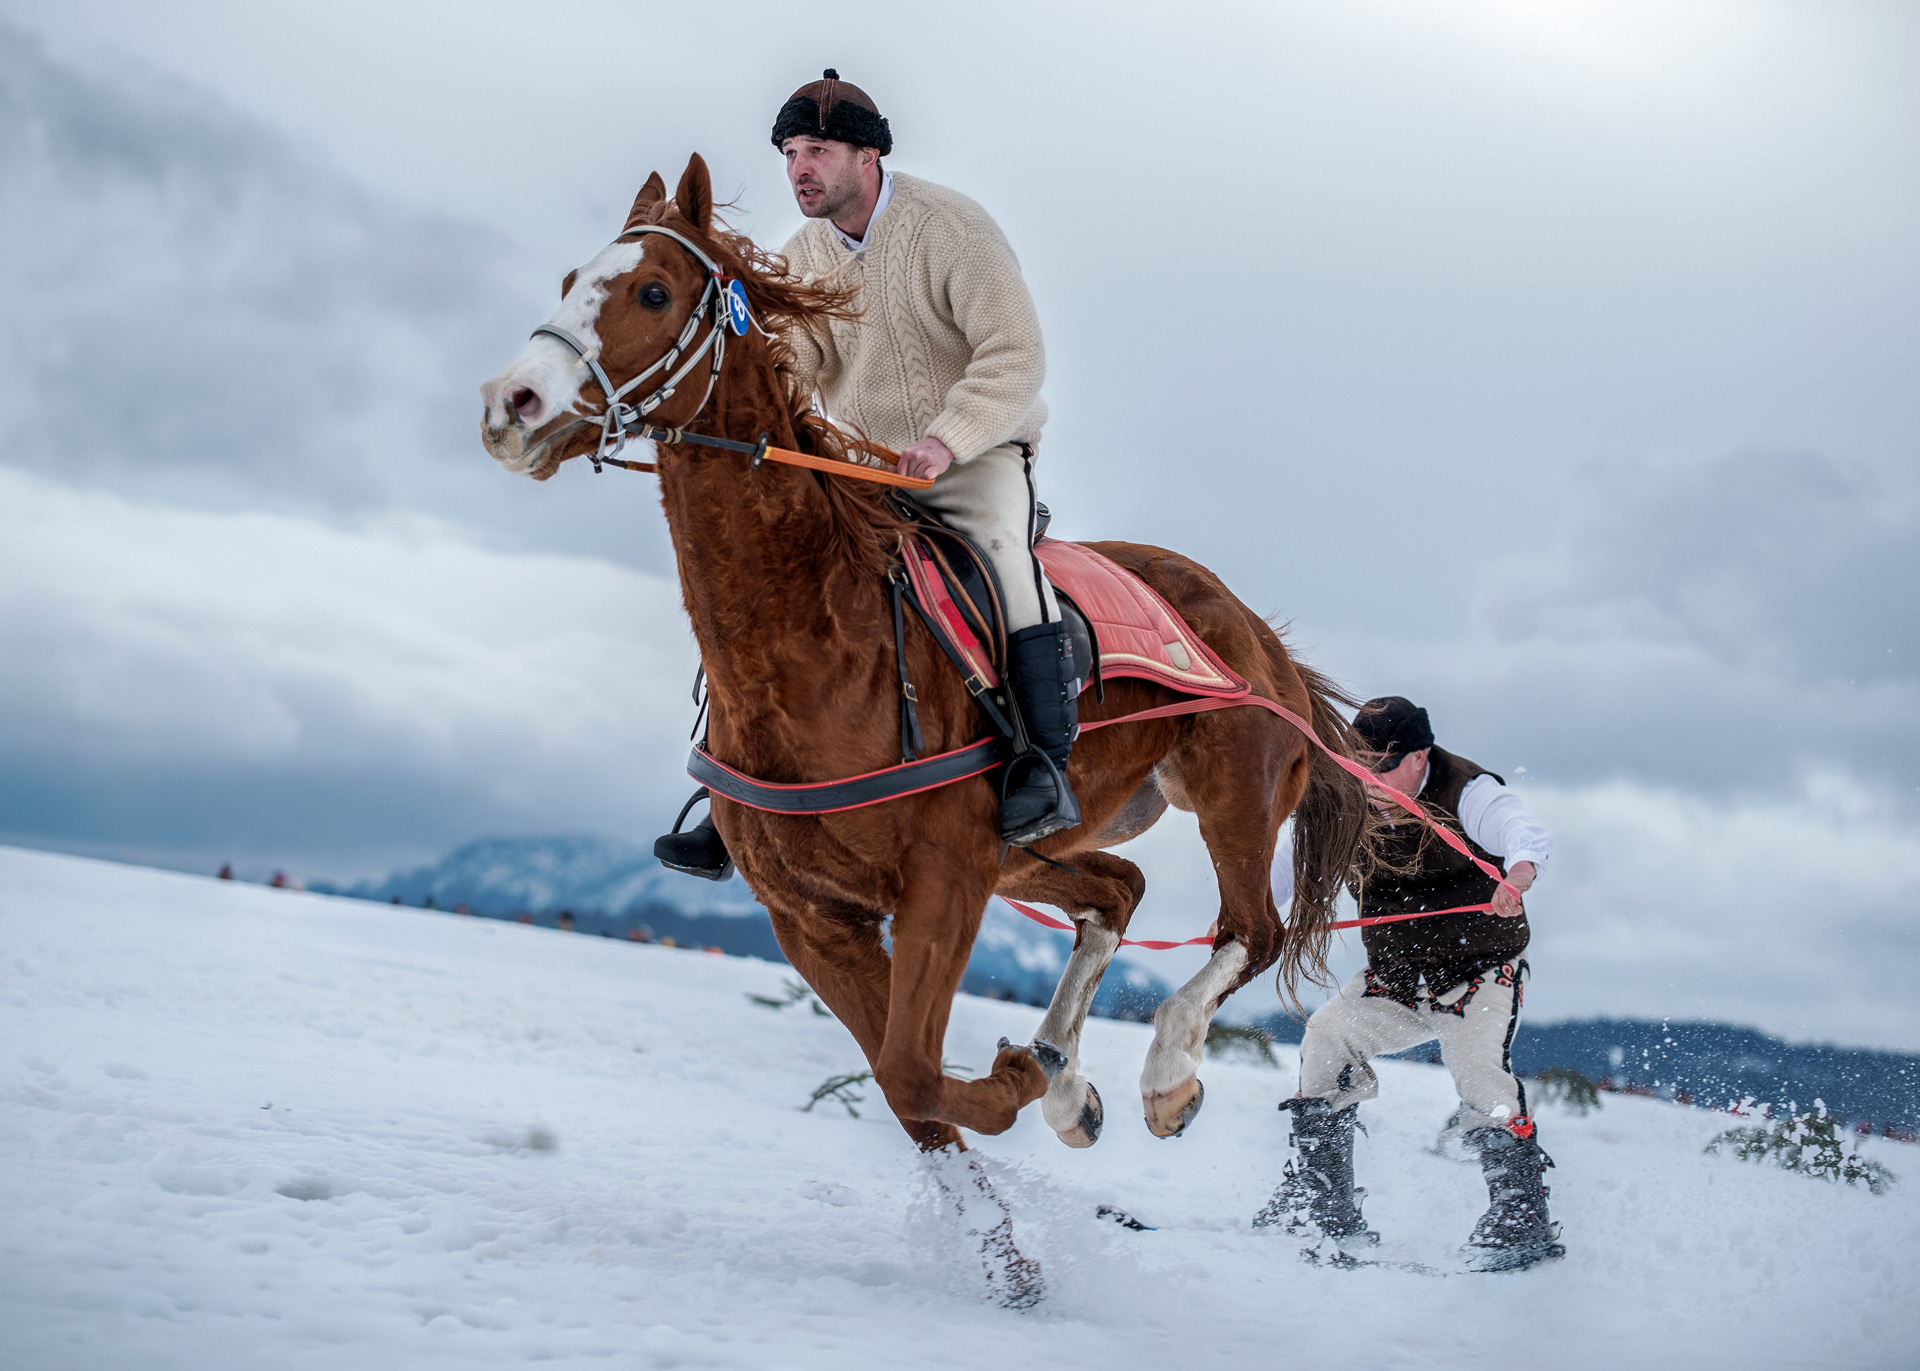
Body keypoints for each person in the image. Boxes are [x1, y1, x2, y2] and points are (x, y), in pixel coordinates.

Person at [655, 69, 1078, 879]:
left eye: (816, 150)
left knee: (1005, 560)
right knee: (772, 578)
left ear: (867, 156)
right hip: (857, 467)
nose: (799, 169)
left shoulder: (953, 228)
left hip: (975, 456)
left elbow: (1015, 354)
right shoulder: (804, 254)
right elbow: (793, 360)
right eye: (789, 153)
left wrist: (946, 440)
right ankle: (729, 787)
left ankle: (1041, 766)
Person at [1257, 696, 1564, 1272]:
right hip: (1395, 978)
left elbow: (1524, 834)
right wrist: (1248, 910)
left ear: (1419, 757)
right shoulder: (1346, 798)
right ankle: (1323, 1202)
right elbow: (1293, 863)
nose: (1366, 779)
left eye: (1381, 767)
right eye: (1358, 764)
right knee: (1327, 1037)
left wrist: (1518, 876)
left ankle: (1520, 1217)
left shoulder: (1468, 791)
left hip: (1477, 976)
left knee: (1479, 1073)